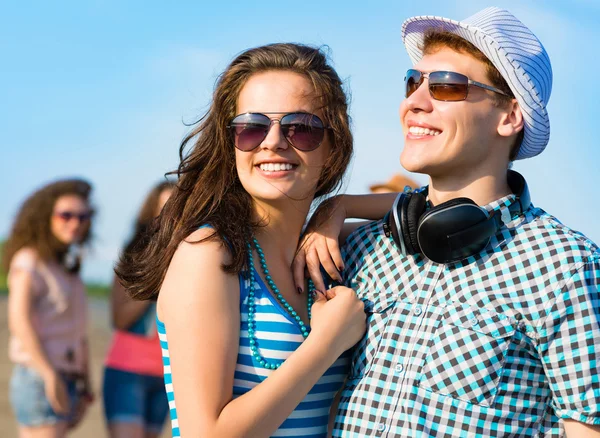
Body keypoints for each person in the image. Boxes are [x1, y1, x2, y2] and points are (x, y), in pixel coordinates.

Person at [293, 7, 600, 437]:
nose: (414, 102)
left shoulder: (565, 264)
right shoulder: (362, 248)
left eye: (446, 87)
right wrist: (335, 207)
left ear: (510, 116)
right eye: (413, 83)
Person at [114, 43, 367, 437]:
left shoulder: (330, 250)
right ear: (231, 143)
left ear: (333, 146)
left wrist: (342, 206)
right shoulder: (210, 255)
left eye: (301, 127)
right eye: (251, 127)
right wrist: (327, 343)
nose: (273, 141)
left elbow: (437, 207)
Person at [3, 179, 95, 438]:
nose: (74, 222)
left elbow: (77, 332)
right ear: (46, 217)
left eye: (82, 216)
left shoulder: (68, 268)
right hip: (39, 379)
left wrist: (86, 385)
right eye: (66, 215)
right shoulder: (29, 261)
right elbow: (19, 322)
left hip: (69, 380)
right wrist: (48, 375)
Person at [102, 180, 174, 438]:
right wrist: (157, 275)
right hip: (127, 370)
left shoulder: (192, 257)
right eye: (164, 208)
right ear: (150, 213)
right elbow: (119, 319)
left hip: (168, 375)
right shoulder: (132, 255)